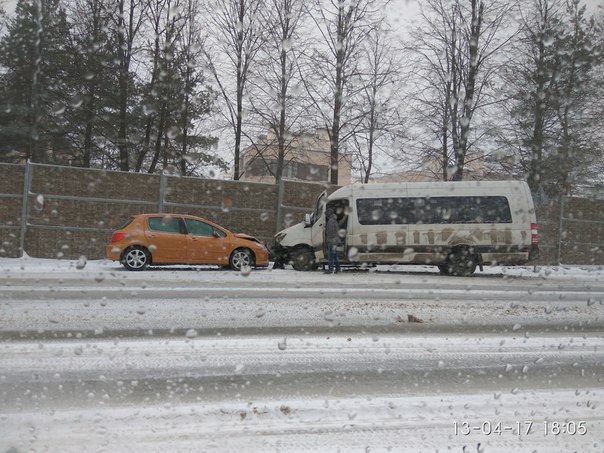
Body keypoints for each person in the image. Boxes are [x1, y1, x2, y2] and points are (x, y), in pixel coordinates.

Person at [324, 208, 341, 274]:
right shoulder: (334, 220)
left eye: (326, 214)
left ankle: (330, 270)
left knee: (331, 255)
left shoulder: (331, 221)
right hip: (335, 240)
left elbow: (331, 232)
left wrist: (328, 237)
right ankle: (338, 268)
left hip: (332, 240)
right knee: (334, 255)